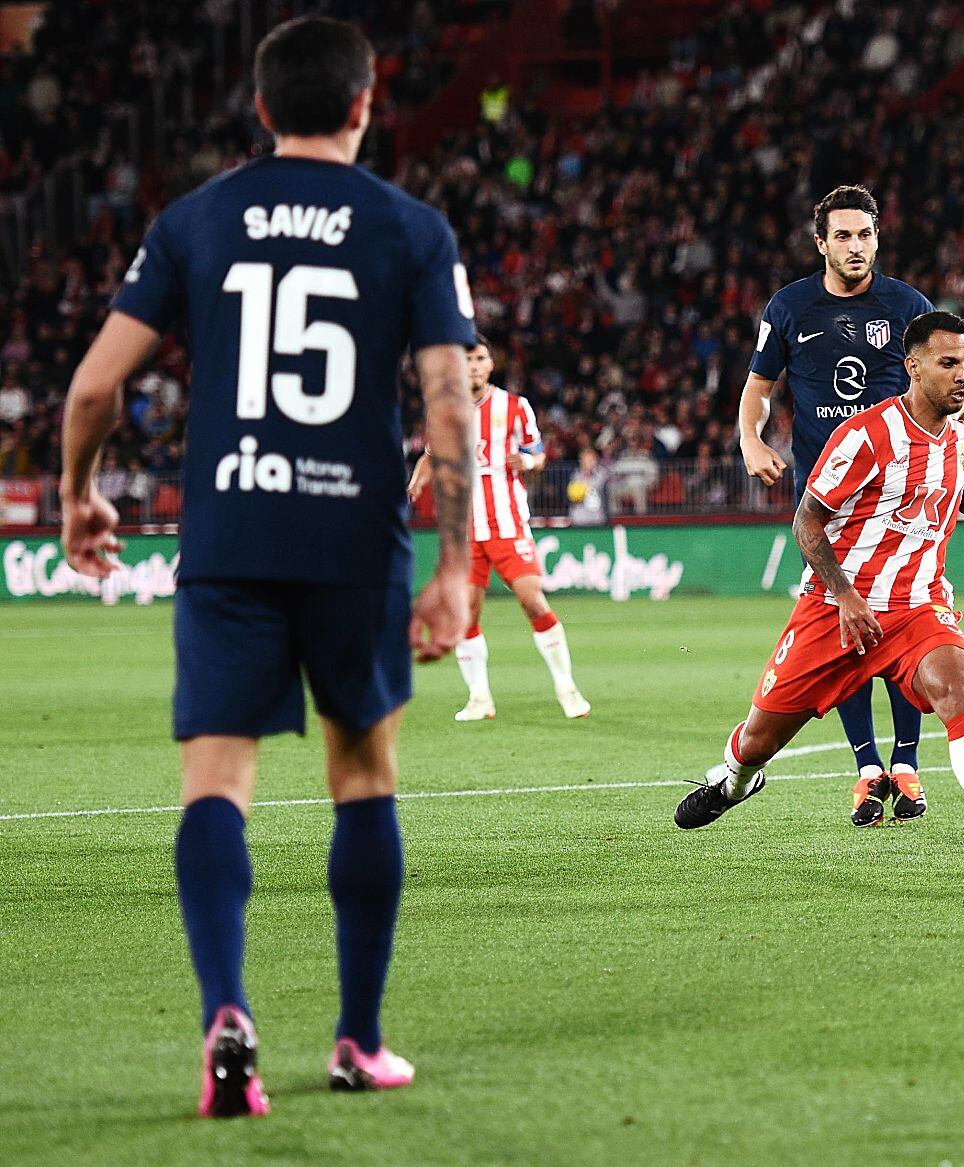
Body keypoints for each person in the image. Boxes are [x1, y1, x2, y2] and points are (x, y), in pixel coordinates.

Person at [59, 16, 478, 1116]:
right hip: (354, 544)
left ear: (259, 109)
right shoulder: (412, 229)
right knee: (363, 777)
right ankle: (357, 1042)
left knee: (216, 784)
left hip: (232, 539)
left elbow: (96, 389)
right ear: (363, 104)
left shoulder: (196, 219)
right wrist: (457, 566)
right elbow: (449, 401)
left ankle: (226, 1015)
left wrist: (77, 492)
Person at [675, 311, 964, 875]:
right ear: (913, 367)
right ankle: (734, 781)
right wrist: (846, 595)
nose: (963, 375)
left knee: (956, 686)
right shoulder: (867, 436)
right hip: (835, 608)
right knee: (758, 739)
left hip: (919, 606)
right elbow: (806, 521)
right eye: (949, 364)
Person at [738, 184, 937, 828]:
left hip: (899, 493)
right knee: (841, 631)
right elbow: (759, 387)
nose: (856, 247)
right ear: (820, 242)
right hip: (825, 501)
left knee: (901, 621)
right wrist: (750, 437)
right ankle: (866, 768)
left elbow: (938, 389)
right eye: (843, 236)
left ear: (878, 237)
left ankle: (905, 766)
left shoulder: (908, 305)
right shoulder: (791, 306)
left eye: (866, 234)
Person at [408, 335, 590, 721]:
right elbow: (430, 453)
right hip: (464, 532)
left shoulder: (514, 407)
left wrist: (529, 463)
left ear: (491, 364)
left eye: (480, 359)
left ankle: (567, 687)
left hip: (507, 524)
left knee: (533, 600)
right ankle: (479, 698)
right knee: (467, 614)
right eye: (467, 360)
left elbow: (536, 452)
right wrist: (417, 479)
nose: (474, 366)